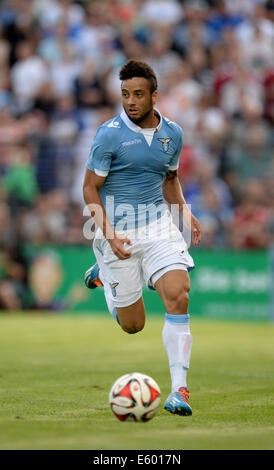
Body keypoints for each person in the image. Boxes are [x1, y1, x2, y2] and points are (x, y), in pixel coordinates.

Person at [82, 59, 202, 416]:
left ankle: (180, 391)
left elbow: (169, 178)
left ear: (154, 96)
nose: (130, 101)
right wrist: (110, 236)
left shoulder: (173, 134)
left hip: (156, 227)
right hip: (115, 231)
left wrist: (184, 210)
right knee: (133, 326)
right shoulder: (109, 135)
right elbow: (90, 189)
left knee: (178, 295)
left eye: (137, 94)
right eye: (124, 95)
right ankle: (104, 274)